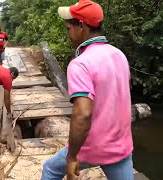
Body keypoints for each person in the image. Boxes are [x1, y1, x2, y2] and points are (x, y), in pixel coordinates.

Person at [41, 0, 134, 180]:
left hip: (93, 147)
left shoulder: (80, 64)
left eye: (68, 28)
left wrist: (72, 157)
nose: (68, 34)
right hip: (121, 146)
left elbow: (82, 114)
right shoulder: (119, 55)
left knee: (50, 169)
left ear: (81, 26)